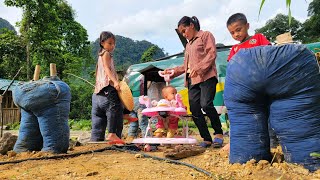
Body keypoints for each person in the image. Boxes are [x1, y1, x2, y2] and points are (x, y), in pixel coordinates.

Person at [164, 16, 224, 148]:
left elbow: (211, 54)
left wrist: (198, 68)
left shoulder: (205, 35)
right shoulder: (188, 45)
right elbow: (186, 67)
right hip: (192, 81)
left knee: (206, 104)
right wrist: (172, 71)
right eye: (182, 33)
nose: (184, 34)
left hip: (207, 77)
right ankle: (206, 138)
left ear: (191, 25)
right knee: (195, 108)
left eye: (184, 30)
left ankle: (219, 133)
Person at [222, 13, 272, 152]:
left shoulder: (258, 38)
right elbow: (232, 70)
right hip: (246, 89)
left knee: (268, 113)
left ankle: (273, 143)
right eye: (232, 32)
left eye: (238, 30)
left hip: (264, 84)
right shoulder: (234, 49)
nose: (236, 34)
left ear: (247, 26)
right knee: (244, 116)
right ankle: (237, 142)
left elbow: (269, 54)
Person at [91, 31, 124, 144]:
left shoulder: (101, 54)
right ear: (102, 42)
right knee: (114, 107)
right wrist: (115, 81)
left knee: (115, 105)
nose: (112, 46)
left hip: (99, 90)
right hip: (107, 86)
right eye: (110, 43)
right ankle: (112, 134)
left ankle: (126, 114)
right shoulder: (106, 54)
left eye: (113, 43)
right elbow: (107, 69)